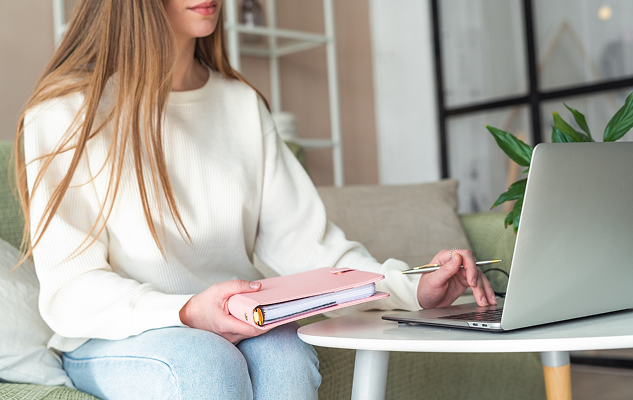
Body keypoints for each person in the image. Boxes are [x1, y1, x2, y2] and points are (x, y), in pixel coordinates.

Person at [16, 0, 497, 399]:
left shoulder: (241, 106)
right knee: (204, 361)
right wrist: (186, 312)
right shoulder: (64, 113)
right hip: (112, 334)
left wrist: (413, 288)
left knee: (285, 353)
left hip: (233, 323)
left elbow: (309, 248)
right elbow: (71, 289)